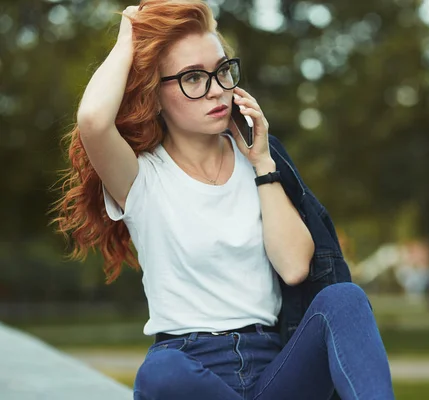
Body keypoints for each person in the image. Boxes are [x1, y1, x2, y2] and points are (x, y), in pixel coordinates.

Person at [53, 1, 394, 399]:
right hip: (189, 367)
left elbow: (295, 267)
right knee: (159, 372)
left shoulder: (259, 160)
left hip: (275, 368)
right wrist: (131, 32)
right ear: (155, 94)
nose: (216, 90)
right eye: (193, 78)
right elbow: (94, 120)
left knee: (344, 300)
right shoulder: (141, 178)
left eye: (222, 71)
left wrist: (264, 164)